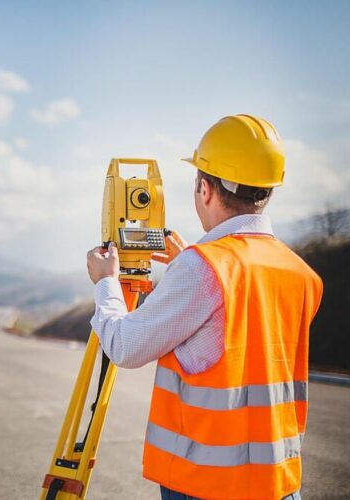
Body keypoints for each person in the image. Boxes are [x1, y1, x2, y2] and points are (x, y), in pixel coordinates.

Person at [85, 115, 322, 500]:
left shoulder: (202, 269)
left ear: (206, 188)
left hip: (208, 484)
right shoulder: (300, 273)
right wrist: (190, 264)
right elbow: (242, 326)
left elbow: (125, 347)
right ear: (268, 191)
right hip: (277, 482)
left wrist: (106, 282)